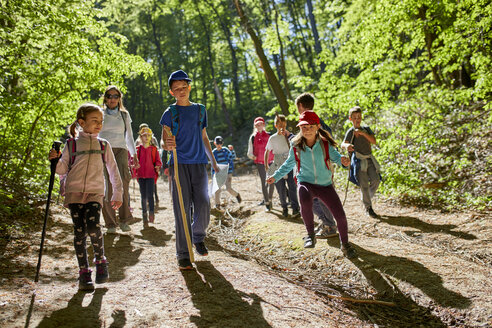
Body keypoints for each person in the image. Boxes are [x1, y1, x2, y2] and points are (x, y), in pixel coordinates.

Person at [49, 103, 123, 290]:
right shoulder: (71, 144)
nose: (99, 124)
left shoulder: (103, 145)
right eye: (94, 121)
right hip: (74, 193)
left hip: (95, 192)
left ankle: (100, 261)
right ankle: (84, 272)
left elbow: (113, 171)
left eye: (101, 121)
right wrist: (54, 160)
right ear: (82, 122)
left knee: (93, 225)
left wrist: (117, 192)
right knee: (79, 231)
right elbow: (62, 170)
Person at [267, 111, 357, 258]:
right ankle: (310, 235)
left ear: (317, 127)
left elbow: (337, 158)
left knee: (340, 216)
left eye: (310, 126)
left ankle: (345, 245)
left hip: (325, 185)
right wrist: (275, 177)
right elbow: (288, 164)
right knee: (303, 197)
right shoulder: (296, 145)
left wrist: (343, 161)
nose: (307, 130)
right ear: (299, 128)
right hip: (306, 182)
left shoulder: (325, 144)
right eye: (303, 127)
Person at [160, 69, 219, 270]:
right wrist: (166, 145)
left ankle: (197, 236)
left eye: (184, 87)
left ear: (189, 87)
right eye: (177, 89)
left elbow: (204, 136)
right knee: (182, 209)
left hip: (199, 164)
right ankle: (183, 254)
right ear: (172, 92)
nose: (181, 91)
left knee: (203, 205)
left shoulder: (200, 110)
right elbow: (163, 139)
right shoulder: (170, 113)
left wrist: (213, 161)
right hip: (178, 164)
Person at [295, 93, 338, 239]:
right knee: (315, 197)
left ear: (300, 106)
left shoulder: (311, 125)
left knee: (317, 197)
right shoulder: (319, 122)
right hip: (321, 167)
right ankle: (326, 222)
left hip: (319, 168)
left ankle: (329, 225)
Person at [99, 85, 137, 233]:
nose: (112, 99)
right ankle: (110, 223)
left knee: (123, 184)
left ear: (119, 98)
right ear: (105, 98)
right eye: (109, 96)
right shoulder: (100, 113)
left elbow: (129, 136)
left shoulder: (124, 115)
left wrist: (134, 155)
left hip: (121, 150)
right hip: (103, 151)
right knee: (106, 187)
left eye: (116, 96)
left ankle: (124, 220)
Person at [341, 106, 381, 218]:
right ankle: (368, 207)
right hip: (358, 160)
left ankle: (366, 197)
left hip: (369, 158)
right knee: (363, 184)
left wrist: (363, 133)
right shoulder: (351, 131)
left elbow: (374, 141)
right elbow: (343, 144)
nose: (357, 119)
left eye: (359, 117)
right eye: (354, 117)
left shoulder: (367, 129)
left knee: (376, 180)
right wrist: (347, 145)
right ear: (350, 119)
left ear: (361, 117)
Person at [264, 114, 300, 217]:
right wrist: (266, 164)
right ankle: (284, 207)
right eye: (279, 124)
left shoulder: (289, 137)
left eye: (284, 125)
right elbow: (267, 151)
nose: (282, 127)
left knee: (292, 185)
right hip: (278, 164)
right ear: (275, 125)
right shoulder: (272, 138)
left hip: (289, 162)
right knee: (280, 188)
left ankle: (295, 208)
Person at [135, 127, 162, 228]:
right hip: (141, 175)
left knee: (150, 195)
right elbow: (133, 161)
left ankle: (151, 212)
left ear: (151, 137)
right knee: (143, 196)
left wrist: (157, 166)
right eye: (144, 135)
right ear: (140, 137)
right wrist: (134, 165)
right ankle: (144, 216)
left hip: (151, 175)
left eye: (148, 135)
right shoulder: (137, 149)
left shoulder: (154, 149)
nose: (146, 137)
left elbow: (158, 161)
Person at [247, 117, 274, 211]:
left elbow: (274, 148)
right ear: (255, 126)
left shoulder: (270, 135)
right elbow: (249, 152)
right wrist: (253, 157)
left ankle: (270, 200)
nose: (259, 126)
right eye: (257, 125)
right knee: (264, 181)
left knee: (271, 181)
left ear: (263, 125)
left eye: (261, 124)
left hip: (270, 161)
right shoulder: (253, 137)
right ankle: (266, 203)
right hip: (260, 162)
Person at [212, 136, 241, 208]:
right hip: (219, 173)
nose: (219, 145)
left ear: (222, 143)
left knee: (228, 188)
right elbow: (213, 164)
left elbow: (232, 157)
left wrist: (232, 151)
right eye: (218, 143)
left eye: (220, 143)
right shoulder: (214, 152)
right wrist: (213, 174)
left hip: (228, 172)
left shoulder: (225, 150)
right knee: (217, 189)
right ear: (214, 143)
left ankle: (237, 195)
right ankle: (217, 204)